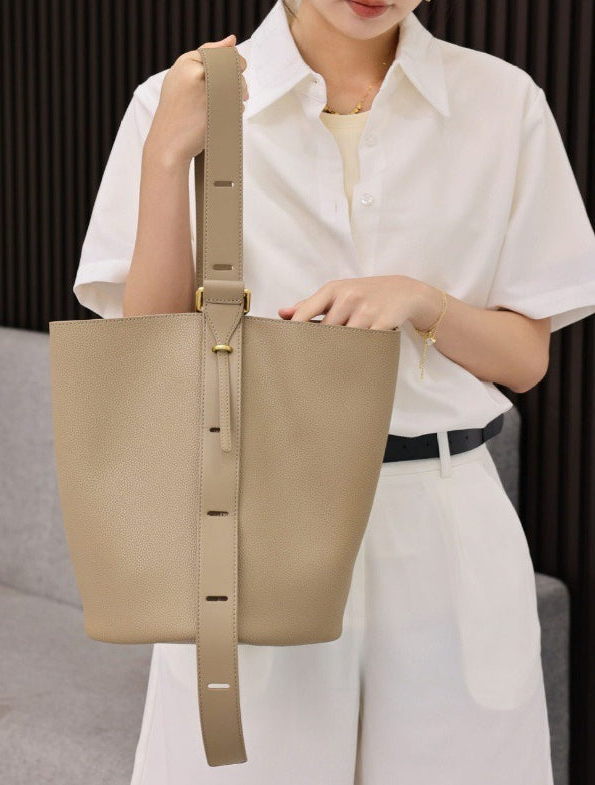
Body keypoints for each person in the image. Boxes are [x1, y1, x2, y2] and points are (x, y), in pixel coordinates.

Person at [72, 0, 595, 782]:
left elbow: (525, 358)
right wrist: (165, 157)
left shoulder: (503, 101)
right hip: (252, 517)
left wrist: (424, 301)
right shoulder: (178, 98)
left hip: (444, 518)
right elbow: (149, 356)